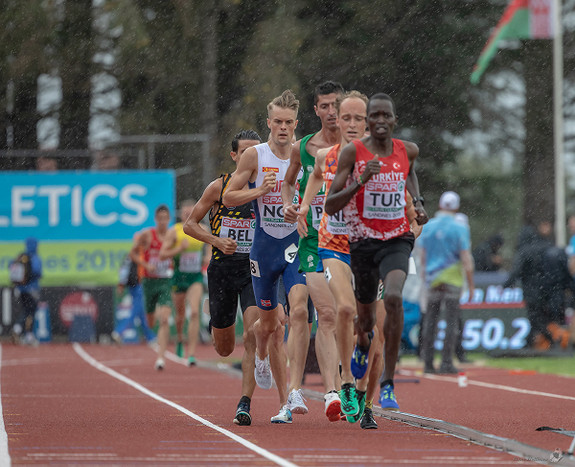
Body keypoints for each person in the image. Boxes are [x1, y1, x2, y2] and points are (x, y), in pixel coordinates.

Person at [325, 92, 428, 411]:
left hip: (397, 239)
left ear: (394, 120)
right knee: (365, 319)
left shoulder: (407, 150)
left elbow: (410, 175)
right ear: (369, 122)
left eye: (387, 115)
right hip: (363, 243)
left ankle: (387, 383)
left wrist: (419, 205)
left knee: (395, 299)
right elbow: (330, 204)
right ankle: (361, 344)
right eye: (376, 116)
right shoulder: (353, 154)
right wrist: (361, 181)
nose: (381, 120)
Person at [223, 90, 308, 424]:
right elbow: (229, 197)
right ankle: (261, 358)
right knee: (267, 324)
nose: (283, 128)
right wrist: (260, 190)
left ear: (296, 124)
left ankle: (292, 393)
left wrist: (299, 211)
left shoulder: (306, 153)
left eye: (289, 123)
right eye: (278, 122)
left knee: (298, 309)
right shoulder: (255, 156)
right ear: (269, 123)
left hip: (294, 245)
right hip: (263, 248)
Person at [183, 129, 263, 425]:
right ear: (234, 156)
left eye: (256, 152)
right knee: (225, 347)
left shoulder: (268, 186)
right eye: (245, 152)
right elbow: (190, 225)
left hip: (254, 269)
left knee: (253, 332)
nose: (251, 158)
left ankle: (245, 403)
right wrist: (216, 241)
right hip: (222, 271)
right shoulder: (219, 187)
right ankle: (218, 326)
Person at [282, 80, 343, 422]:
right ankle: (328, 390)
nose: (332, 112)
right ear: (316, 110)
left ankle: (343, 385)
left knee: (341, 316)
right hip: (312, 242)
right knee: (319, 313)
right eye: (325, 106)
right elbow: (288, 183)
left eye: (336, 104)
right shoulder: (303, 148)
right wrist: (294, 208)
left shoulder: (356, 148)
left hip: (347, 240)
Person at [418, 191, 475, 374]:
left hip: (433, 278)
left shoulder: (428, 226)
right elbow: (466, 258)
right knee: (451, 322)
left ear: (440, 205)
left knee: (430, 322)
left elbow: (423, 257)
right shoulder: (460, 228)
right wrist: (471, 284)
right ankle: (446, 362)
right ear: (456, 207)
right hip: (453, 280)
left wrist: (425, 279)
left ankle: (427, 362)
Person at [160, 200, 209, 365]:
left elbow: (210, 248)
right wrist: (179, 249)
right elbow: (163, 254)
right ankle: (180, 338)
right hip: (178, 277)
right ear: (181, 214)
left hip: (195, 277)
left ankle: (192, 353)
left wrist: (207, 257)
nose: (188, 215)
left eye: (191, 212)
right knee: (180, 316)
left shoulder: (204, 229)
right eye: (186, 213)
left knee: (195, 313)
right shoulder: (174, 231)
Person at [129, 204, 174, 370]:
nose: (162, 222)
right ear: (156, 220)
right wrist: (145, 265)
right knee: (150, 321)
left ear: (169, 219)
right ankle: (152, 318)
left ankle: (160, 358)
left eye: (165, 219)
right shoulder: (148, 235)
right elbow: (133, 253)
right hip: (149, 281)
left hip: (165, 281)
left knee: (164, 319)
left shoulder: (172, 236)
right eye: (160, 219)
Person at [112, 231, 156, 344]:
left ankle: (150, 336)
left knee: (140, 312)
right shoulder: (134, 254)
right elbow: (124, 270)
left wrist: (121, 285)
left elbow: (123, 271)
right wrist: (121, 285)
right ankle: (119, 332)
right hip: (138, 284)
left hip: (136, 284)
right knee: (136, 311)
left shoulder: (142, 252)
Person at [9, 238, 43, 345]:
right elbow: (38, 272)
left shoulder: (22, 256)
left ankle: (18, 329)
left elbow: (11, 266)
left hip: (21, 290)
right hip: (32, 290)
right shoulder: (35, 258)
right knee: (30, 312)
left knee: (25, 311)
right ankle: (28, 335)